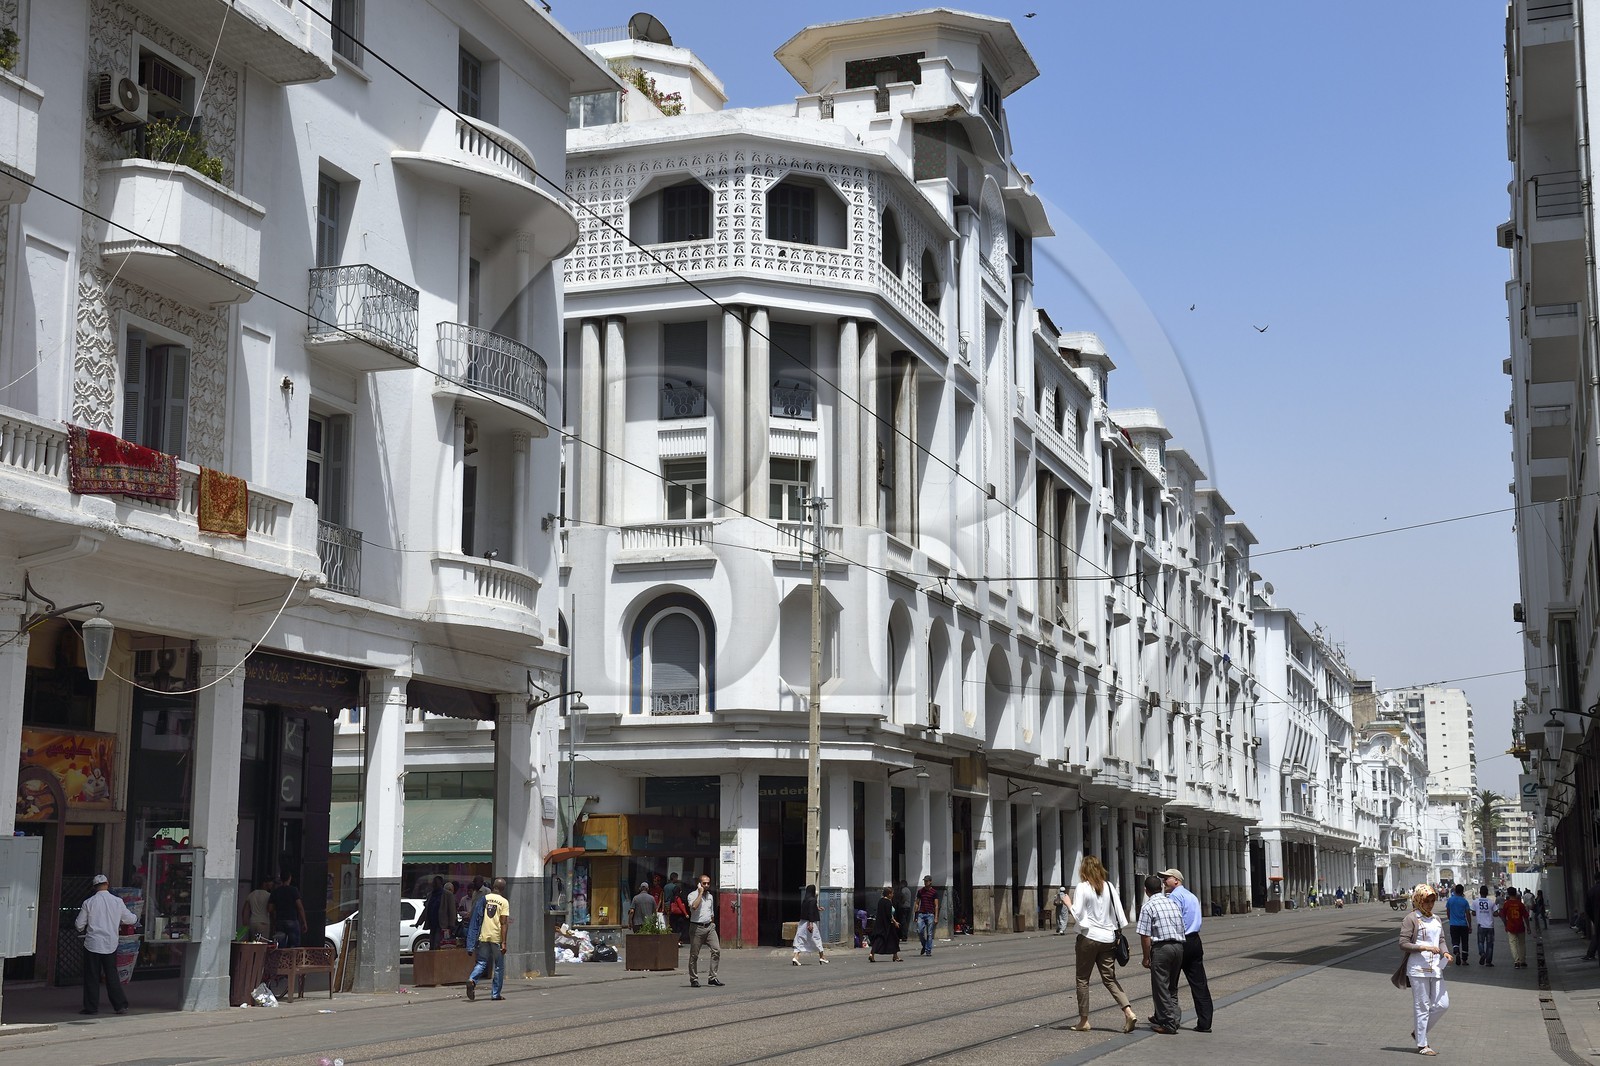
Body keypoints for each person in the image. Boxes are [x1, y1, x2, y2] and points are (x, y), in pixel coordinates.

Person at [1064, 855, 1138, 1033]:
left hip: (1089, 938)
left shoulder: (1082, 887)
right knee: (1109, 978)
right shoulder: (1110, 886)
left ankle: (1084, 1021)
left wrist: (1068, 904)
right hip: (1108, 939)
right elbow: (1119, 914)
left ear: (1084, 870)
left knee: (1082, 979)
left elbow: (1079, 914)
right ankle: (1128, 1011)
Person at [1159, 868, 1213, 1033]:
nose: (1163, 882)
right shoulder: (1192, 896)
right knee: (1199, 984)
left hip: (1180, 942)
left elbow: (1172, 920)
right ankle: (1205, 1023)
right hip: (1195, 941)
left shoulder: (1174, 896)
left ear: (1176, 880)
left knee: (1167, 983)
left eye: (1166, 879)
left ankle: (1168, 1019)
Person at [1400, 883, 1451, 1056]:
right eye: (1427, 901)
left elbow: (1441, 939)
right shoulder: (1411, 918)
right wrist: (1425, 948)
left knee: (1443, 1004)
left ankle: (1418, 1032)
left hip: (1436, 967)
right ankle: (1422, 1044)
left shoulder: (1436, 919)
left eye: (1432, 901)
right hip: (1417, 969)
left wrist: (1445, 953)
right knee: (1422, 1005)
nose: (1430, 904)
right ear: (1418, 900)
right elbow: (1403, 943)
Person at [76, 875, 138, 1016]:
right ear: (107, 884)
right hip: (110, 943)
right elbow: (130, 919)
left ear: (94, 887)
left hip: (92, 943)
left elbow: (79, 925)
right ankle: (120, 1005)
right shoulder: (117, 901)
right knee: (111, 975)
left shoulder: (88, 902)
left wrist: (82, 929)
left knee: (92, 976)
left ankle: (91, 1007)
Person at [1138, 872, 1186, 1036]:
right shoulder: (1172, 903)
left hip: (1162, 948)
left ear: (1146, 890)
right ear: (1161, 888)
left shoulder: (1148, 907)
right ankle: (1174, 1019)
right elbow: (1181, 926)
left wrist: (1146, 957)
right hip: (1178, 946)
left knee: (1161, 987)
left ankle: (1168, 1023)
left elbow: (1145, 935)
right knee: (1172, 987)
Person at [466, 877, 510, 1001]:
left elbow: (476, 920)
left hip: (484, 936)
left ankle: (472, 979)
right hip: (496, 938)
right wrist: (504, 942)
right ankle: (495, 994)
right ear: (503, 889)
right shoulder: (504, 902)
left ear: (493, 886)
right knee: (498, 966)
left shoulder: (483, 899)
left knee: (481, 962)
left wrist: (471, 943)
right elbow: (504, 923)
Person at [686, 873, 723, 987]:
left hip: (709, 927)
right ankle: (694, 979)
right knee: (694, 955)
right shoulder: (692, 895)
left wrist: (713, 924)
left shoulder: (710, 897)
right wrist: (700, 893)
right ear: (699, 884)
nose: (706, 885)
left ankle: (712, 977)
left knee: (716, 950)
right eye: (704, 883)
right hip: (697, 927)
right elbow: (694, 907)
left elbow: (711, 912)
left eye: (708, 883)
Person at [791, 884, 829, 965]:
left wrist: (817, 908)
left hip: (802, 923)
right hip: (810, 922)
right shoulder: (813, 900)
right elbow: (811, 912)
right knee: (816, 939)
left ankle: (795, 957)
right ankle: (822, 957)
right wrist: (811, 923)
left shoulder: (805, 900)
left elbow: (808, 909)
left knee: (799, 939)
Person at [268, 872, 307, 948]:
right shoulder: (293, 890)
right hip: (291, 919)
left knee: (280, 945)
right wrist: (304, 922)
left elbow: (270, 908)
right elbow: (300, 907)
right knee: (294, 945)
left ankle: (281, 958)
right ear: (290, 878)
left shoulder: (276, 891)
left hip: (280, 920)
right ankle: (292, 959)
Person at [869, 884, 901, 962]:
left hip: (879, 924)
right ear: (889, 894)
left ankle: (872, 954)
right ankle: (895, 956)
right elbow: (889, 915)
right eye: (892, 893)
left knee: (879, 939)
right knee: (895, 939)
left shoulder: (880, 901)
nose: (893, 895)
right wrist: (895, 923)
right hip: (887, 925)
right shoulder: (888, 903)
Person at [1502, 887, 1529, 968]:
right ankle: (1523, 961)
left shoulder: (1506, 904)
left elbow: (1503, 915)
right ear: (1516, 893)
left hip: (1511, 927)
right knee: (1522, 944)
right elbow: (1526, 916)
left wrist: (1505, 924)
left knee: (1513, 944)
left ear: (1508, 894)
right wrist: (1528, 927)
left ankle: (1516, 961)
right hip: (1520, 926)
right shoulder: (1520, 904)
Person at [1444, 884, 1471, 966]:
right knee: (1464, 942)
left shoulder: (1450, 900)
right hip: (1463, 925)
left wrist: (1450, 919)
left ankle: (1457, 952)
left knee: (1455, 940)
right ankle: (1464, 960)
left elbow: (1448, 912)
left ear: (1455, 890)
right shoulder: (1464, 901)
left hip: (1453, 924)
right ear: (1462, 891)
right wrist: (1470, 925)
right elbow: (1468, 914)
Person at [240, 876, 273, 940]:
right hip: (264, 922)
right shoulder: (269, 896)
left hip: (253, 922)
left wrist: (245, 925)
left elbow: (245, 911)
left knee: (254, 944)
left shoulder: (251, 894)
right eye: (271, 883)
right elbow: (271, 909)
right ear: (265, 884)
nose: (272, 885)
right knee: (262, 945)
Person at [915, 875, 940, 956]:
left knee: (929, 933)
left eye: (927, 881)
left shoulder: (934, 892)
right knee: (919, 930)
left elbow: (936, 905)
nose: (925, 883)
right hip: (921, 914)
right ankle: (925, 945)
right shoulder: (920, 891)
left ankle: (928, 950)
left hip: (930, 914)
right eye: (924, 881)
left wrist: (936, 917)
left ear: (930, 882)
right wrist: (915, 915)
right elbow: (917, 903)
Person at [1473, 884, 1498, 966]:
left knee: (1480, 942)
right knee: (1490, 944)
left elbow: (1473, 913)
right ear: (1487, 893)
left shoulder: (1475, 902)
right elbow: (1496, 913)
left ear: (1480, 892)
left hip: (1481, 925)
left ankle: (1482, 953)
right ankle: (1488, 961)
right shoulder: (1491, 902)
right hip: (1490, 926)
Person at [661, 872, 688, 944]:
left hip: (666, 905)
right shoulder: (675, 887)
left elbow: (662, 897)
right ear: (675, 878)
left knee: (668, 923)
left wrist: (663, 907)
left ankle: (669, 938)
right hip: (673, 906)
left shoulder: (665, 886)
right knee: (676, 923)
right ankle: (676, 939)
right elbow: (677, 898)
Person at [424, 875, 446, 948]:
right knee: (432, 942)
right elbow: (426, 909)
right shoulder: (430, 895)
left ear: (441, 884)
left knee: (438, 943)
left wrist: (451, 925)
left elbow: (451, 910)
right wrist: (419, 922)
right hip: (432, 923)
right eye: (434, 883)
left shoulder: (446, 895)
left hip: (441, 924)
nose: (434, 885)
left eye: (436, 883)